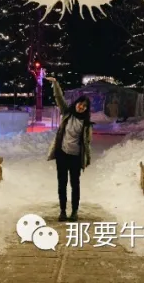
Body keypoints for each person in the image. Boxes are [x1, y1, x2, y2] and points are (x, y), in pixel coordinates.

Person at [44, 77, 92, 222]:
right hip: (62, 155)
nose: (81, 107)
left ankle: (74, 211)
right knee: (62, 183)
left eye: (84, 106)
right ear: (76, 104)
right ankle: (63, 211)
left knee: (75, 184)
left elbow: (87, 143)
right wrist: (55, 83)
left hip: (75, 157)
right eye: (79, 104)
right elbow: (59, 97)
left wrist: (85, 159)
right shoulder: (67, 114)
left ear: (86, 108)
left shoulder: (86, 124)